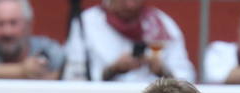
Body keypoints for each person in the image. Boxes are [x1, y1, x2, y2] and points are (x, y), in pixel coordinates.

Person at [63, 0, 195, 83]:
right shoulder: (86, 24)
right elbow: (72, 78)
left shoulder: (163, 25)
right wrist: (111, 70)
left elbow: (188, 80)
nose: (130, 4)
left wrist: (163, 71)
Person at [0, 0, 62, 79]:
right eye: (0, 24)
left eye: (13, 23)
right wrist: (23, 71)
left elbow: (67, 71)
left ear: (28, 25)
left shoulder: (47, 48)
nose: (7, 32)